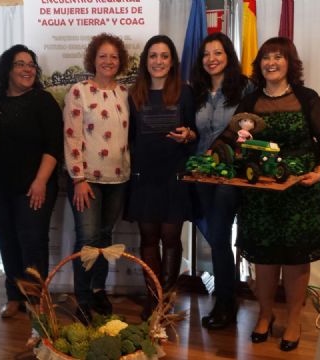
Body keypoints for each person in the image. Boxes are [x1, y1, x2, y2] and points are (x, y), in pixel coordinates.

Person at [215, 37, 320, 351]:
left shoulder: (308, 98)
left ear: (289, 63)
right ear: (260, 65)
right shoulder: (251, 102)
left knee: (296, 259)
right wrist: (211, 156)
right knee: (264, 259)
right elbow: (230, 136)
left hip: (301, 192)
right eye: (266, 57)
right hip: (261, 195)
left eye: (278, 57)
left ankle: (294, 319)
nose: (271, 62)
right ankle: (265, 314)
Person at [0, 45, 63, 319]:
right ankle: (14, 296)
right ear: (7, 69)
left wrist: (41, 181)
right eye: (20, 64)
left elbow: (54, 147)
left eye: (31, 64)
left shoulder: (43, 101)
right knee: (7, 240)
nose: (27, 69)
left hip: (36, 185)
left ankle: (36, 298)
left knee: (33, 240)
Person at [125, 35, 196, 320]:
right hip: (144, 176)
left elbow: (194, 133)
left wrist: (188, 135)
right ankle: (152, 297)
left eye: (164, 56)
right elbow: (128, 137)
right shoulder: (134, 94)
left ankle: (168, 295)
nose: (158, 61)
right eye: (153, 56)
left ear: (172, 61)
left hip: (174, 174)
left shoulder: (185, 91)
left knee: (171, 236)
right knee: (149, 237)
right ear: (146, 61)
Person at [63, 33, 131, 324]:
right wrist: (78, 178)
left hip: (119, 179)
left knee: (104, 238)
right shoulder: (79, 91)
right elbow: (71, 136)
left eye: (113, 57)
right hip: (86, 179)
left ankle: (99, 289)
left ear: (120, 61)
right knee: (88, 239)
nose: (108, 61)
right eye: (102, 56)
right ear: (93, 58)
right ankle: (82, 298)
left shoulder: (126, 94)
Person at [189, 32, 252, 330]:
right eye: (206, 55)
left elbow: (250, 131)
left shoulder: (244, 88)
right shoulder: (197, 92)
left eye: (218, 53)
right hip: (201, 173)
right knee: (215, 237)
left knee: (219, 234)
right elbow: (195, 132)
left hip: (231, 175)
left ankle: (226, 301)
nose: (211, 59)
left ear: (228, 55)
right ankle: (228, 296)